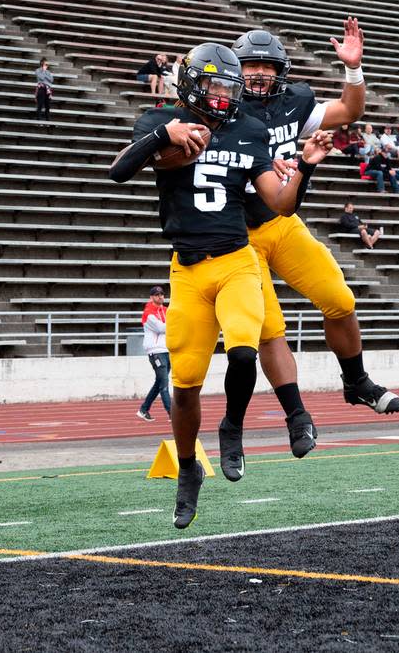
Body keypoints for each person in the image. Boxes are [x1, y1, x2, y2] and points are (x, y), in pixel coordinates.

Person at [109, 43, 333, 529]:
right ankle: (189, 469)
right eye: (214, 85)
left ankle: (232, 427)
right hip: (187, 271)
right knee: (184, 386)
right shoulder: (158, 122)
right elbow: (118, 171)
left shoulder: (247, 129)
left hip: (236, 261)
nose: (223, 96)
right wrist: (163, 136)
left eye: (229, 88)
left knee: (243, 352)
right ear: (190, 83)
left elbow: (281, 203)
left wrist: (307, 166)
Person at [229, 23, 399, 485]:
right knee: (270, 329)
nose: (260, 73)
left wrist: (354, 69)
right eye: (251, 65)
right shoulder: (221, 110)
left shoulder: (295, 102)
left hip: (282, 224)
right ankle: (296, 415)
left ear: (281, 70)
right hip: (237, 235)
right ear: (236, 70)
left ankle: (356, 383)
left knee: (340, 299)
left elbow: (349, 108)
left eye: (267, 65)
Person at [137, 286, 171, 422]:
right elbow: (161, 328)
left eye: (162, 294)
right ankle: (171, 413)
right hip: (156, 352)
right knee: (164, 383)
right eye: (157, 295)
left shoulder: (166, 310)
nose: (160, 297)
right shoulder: (148, 313)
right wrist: (175, 324)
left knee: (159, 383)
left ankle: (144, 409)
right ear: (151, 297)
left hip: (166, 350)